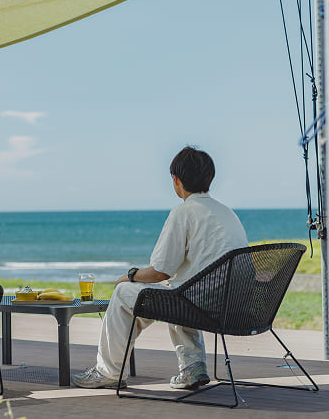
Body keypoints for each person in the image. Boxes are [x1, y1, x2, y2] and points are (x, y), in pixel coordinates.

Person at [72, 146, 248, 389]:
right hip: (234, 306)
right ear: (210, 178)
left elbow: (159, 271)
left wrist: (130, 276)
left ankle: (108, 372)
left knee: (124, 293)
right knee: (177, 287)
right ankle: (192, 367)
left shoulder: (184, 212)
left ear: (176, 180)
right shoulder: (228, 213)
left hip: (200, 306)